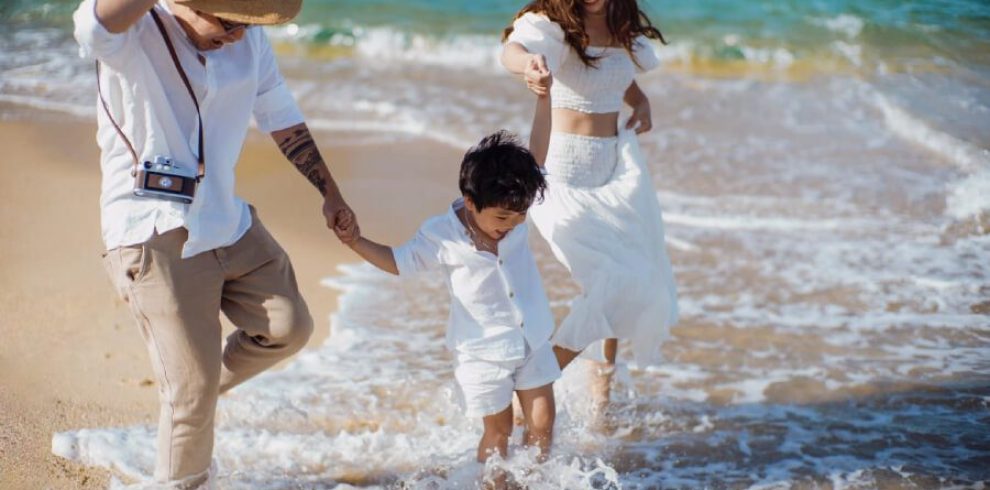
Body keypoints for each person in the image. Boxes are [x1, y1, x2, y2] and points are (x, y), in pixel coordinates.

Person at [72, 0, 356, 486]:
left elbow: (280, 113)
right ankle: (187, 416)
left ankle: (188, 394)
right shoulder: (133, 34)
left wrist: (330, 192)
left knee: (290, 325)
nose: (238, 36)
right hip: (152, 230)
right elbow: (90, 25)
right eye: (227, 21)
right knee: (190, 396)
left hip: (226, 219)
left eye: (247, 23)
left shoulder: (249, 40)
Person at [333, 131, 558, 481]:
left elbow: (537, 157)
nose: (512, 225)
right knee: (499, 433)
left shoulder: (514, 201)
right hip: (482, 352)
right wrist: (355, 242)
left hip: (533, 336)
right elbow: (399, 261)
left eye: (520, 216)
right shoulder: (442, 235)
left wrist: (544, 97)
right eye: (502, 218)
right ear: (470, 202)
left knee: (543, 424)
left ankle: (532, 484)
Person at [500, 0, 679, 410]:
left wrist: (641, 100)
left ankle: (600, 399)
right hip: (563, 173)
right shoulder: (553, 24)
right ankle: (536, 380)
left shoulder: (620, 23)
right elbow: (512, 48)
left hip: (615, 172)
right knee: (610, 282)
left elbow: (617, 77)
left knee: (623, 281)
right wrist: (527, 64)